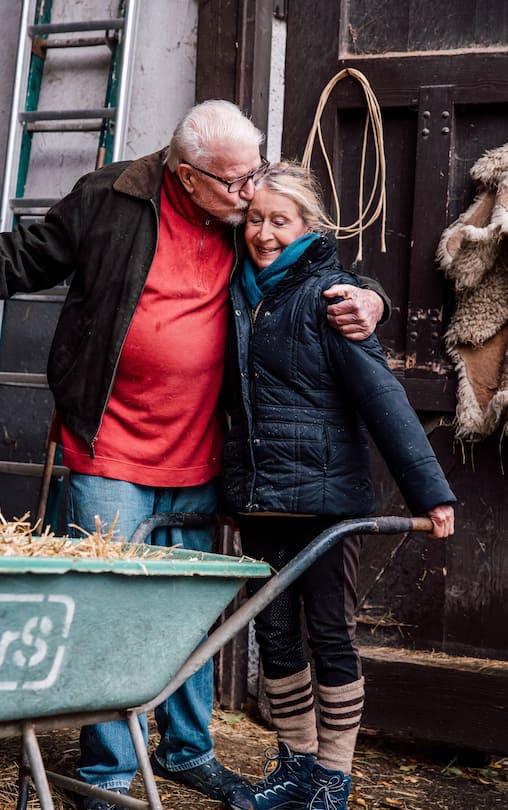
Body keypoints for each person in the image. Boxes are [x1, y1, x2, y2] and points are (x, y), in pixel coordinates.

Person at [0, 101, 388, 809]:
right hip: (111, 445)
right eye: (236, 181)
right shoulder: (111, 198)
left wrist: (371, 299)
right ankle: (105, 774)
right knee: (110, 610)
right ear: (187, 176)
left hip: (200, 449)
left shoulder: (246, 223)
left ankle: (187, 750)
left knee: (187, 614)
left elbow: (319, 266)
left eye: (256, 174)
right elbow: (20, 257)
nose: (252, 193)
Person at [221, 161, 456, 810]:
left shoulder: (332, 296)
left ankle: (333, 779)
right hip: (261, 496)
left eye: (280, 220)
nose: (264, 233)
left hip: (326, 501)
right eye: (256, 218)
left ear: (308, 226)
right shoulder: (241, 290)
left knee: (329, 633)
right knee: (273, 633)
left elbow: (381, 394)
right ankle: (294, 768)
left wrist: (430, 493)